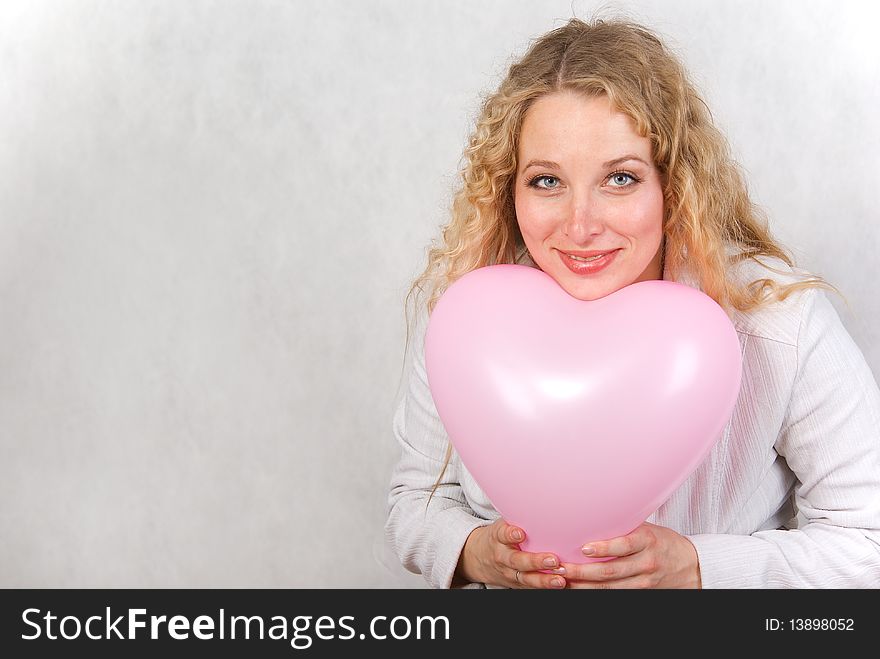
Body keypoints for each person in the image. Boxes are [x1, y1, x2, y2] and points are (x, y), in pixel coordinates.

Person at [384, 18, 880, 589]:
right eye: (547, 181)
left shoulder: (782, 324)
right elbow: (415, 499)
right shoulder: (466, 319)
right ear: (508, 187)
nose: (580, 224)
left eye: (620, 178)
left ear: (674, 184)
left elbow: (866, 540)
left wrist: (696, 567)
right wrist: (473, 552)